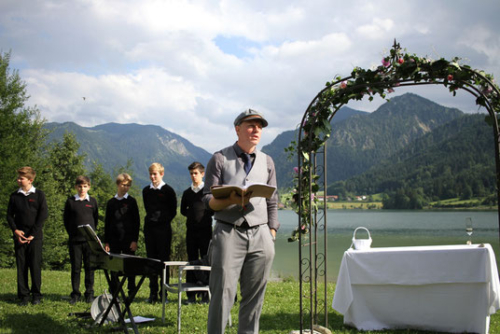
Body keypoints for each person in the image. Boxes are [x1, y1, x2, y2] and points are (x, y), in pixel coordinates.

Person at [202, 109, 279, 333]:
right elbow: (207, 199)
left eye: (260, 127)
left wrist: (272, 231)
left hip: (261, 233)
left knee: (254, 298)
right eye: (251, 125)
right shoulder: (219, 158)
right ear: (238, 129)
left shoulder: (268, 161)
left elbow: (273, 200)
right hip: (228, 232)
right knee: (222, 295)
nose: (256, 130)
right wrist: (230, 199)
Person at [7, 166, 48, 306]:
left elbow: (43, 216)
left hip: (35, 237)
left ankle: (36, 295)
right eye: (18, 178)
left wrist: (33, 234)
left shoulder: (39, 195)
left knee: (35, 266)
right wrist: (15, 230)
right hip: (19, 236)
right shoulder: (14, 196)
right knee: (21, 266)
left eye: (21, 178)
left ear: (30, 180)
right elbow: (9, 215)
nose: (18, 180)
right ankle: (23, 296)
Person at [142, 162, 177, 303]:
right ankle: (152, 293)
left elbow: (173, 211)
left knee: (163, 261)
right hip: (149, 230)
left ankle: (164, 294)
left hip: (163, 230)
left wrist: (162, 221)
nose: (152, 176)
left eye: (155, 174)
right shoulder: (146, 191)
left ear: (161, 174)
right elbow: (147, 208)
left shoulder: (168, 190)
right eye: (150, 174)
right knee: (151, 261)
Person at [180, 162, 213, 304]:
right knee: (191, 261)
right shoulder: (187, 193)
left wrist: (203, 217)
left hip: (205, 231)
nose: (193, 176)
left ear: (202, 174)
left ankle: (205, 294)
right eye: (191, 174)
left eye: (196, 173)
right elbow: (182, 210)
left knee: (206, 261)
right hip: (191, 232)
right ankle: (191, 295)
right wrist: (192, 216)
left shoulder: (208, 192)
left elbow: (213, 209)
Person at [63, 175, 99, 304]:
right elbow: (66, 220)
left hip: (89, 241)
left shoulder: (93, 201)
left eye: (85, 186)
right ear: (76, 187)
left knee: (90, 267)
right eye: (80, 186)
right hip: (75, 241)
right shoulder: (71, 201)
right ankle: (75, 294)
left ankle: (89, 293)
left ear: (89, 187)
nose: (82, 189)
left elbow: (95, 219)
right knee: (76, 268)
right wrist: (73, 233)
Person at [104, 173, 140, 296]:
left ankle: (131, 290)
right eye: (124, 185)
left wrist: (135, 240)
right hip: (114, 239)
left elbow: (137, 222)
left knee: (130, 265)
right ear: (118, 184)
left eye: (128, 185)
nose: (126, 187)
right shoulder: (111, 202)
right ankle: (114, 289)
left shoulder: (132, 201)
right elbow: (107, 222)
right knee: (113, 266)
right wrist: (107, 241)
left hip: (128, 239)